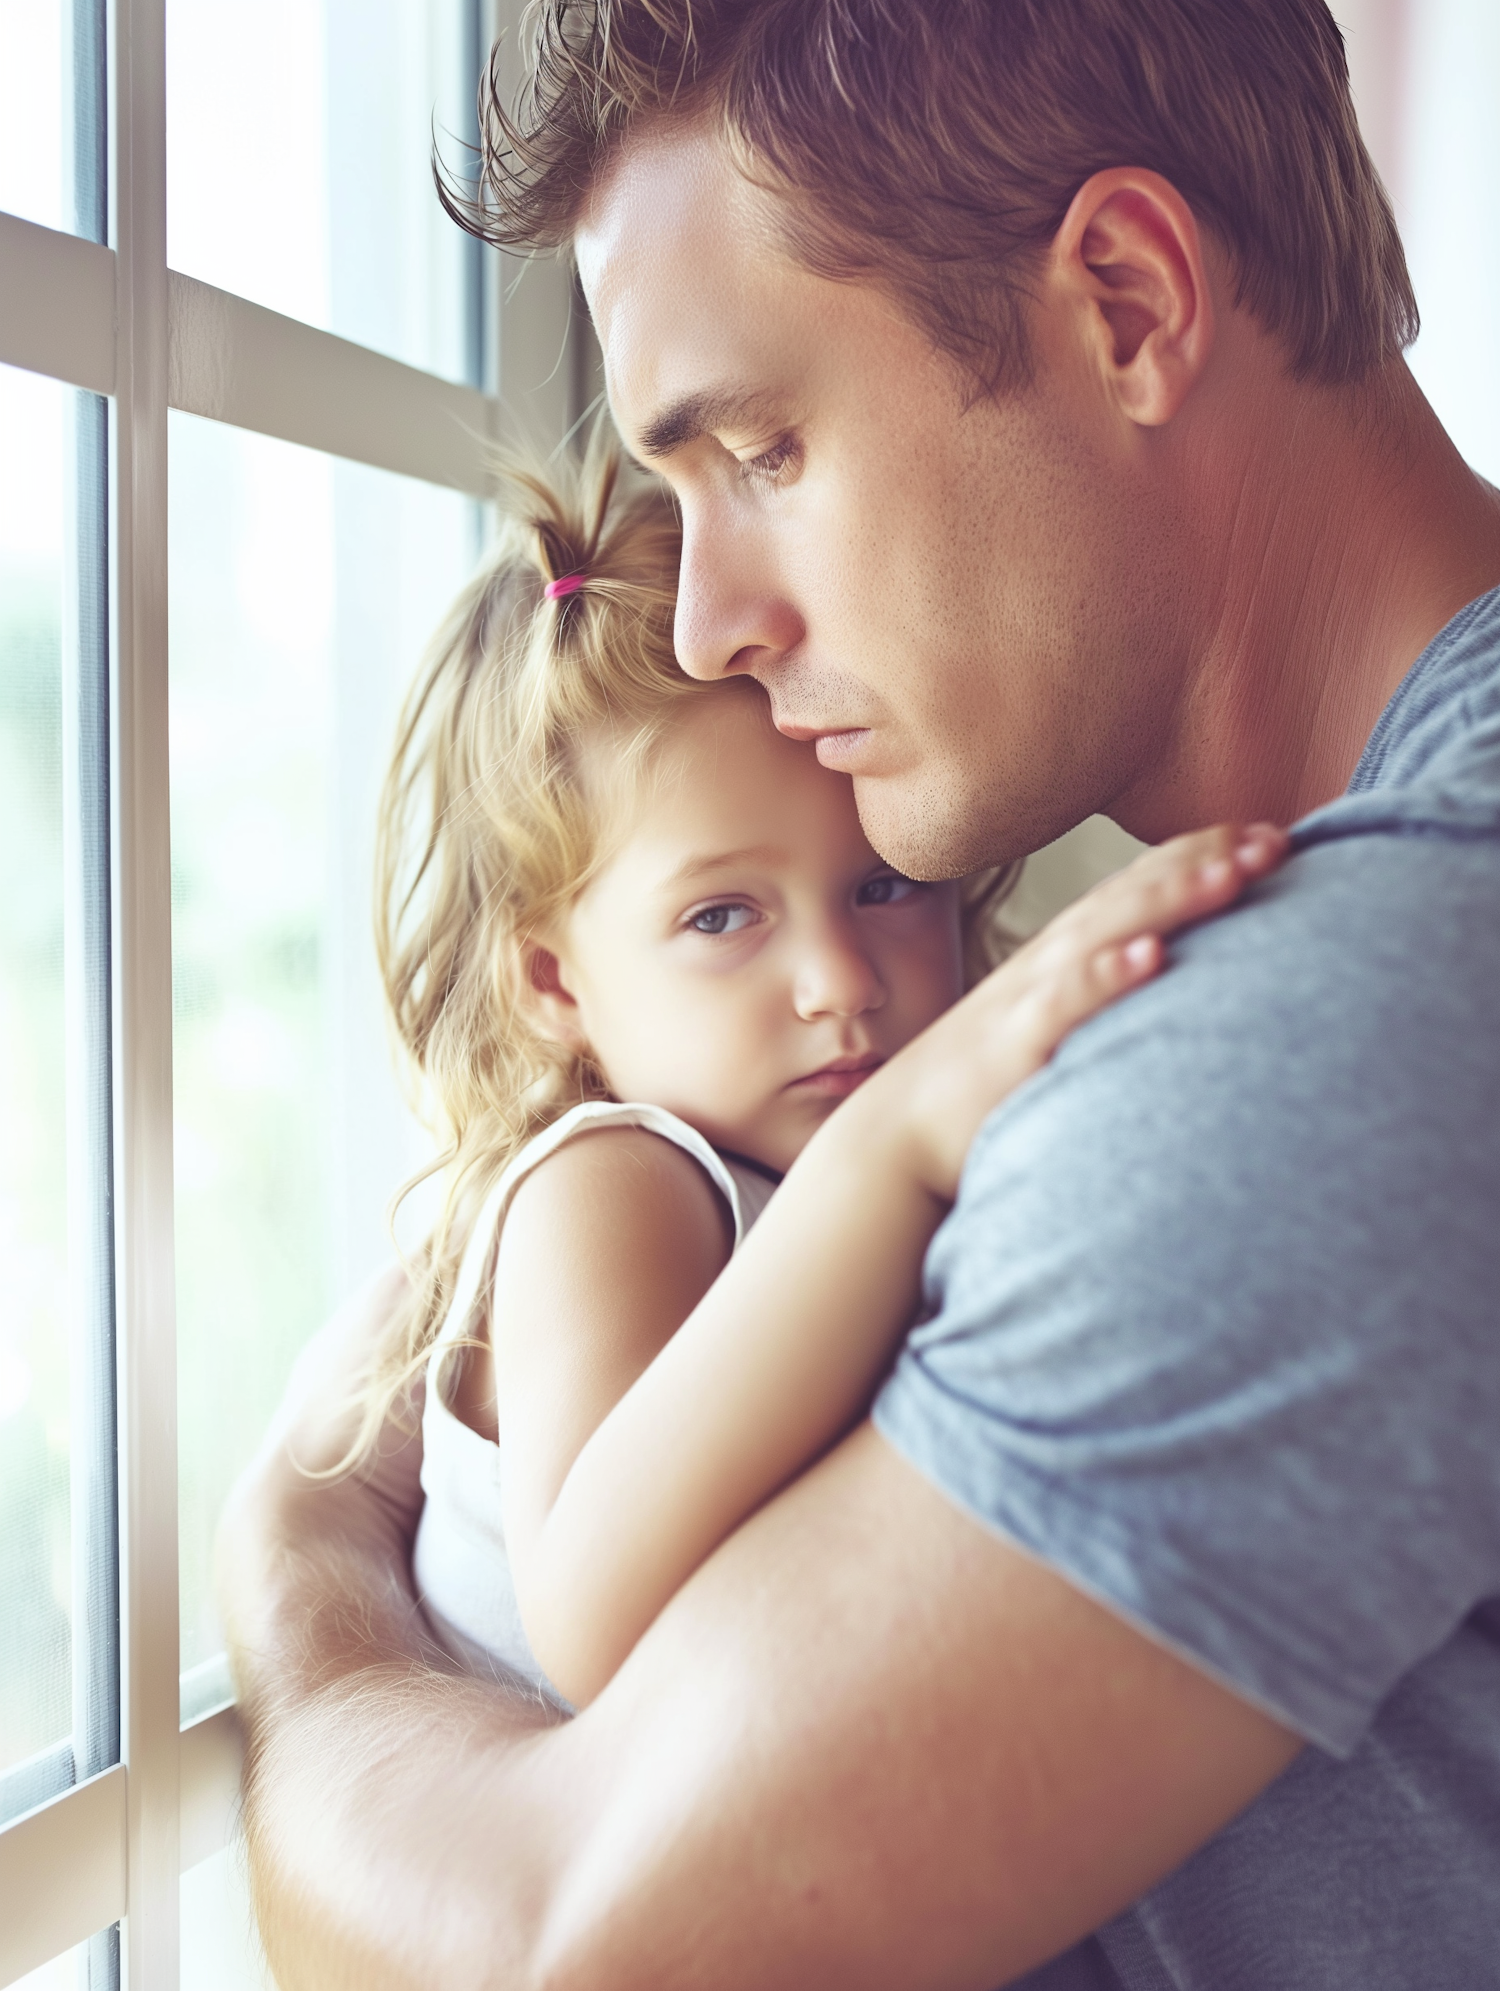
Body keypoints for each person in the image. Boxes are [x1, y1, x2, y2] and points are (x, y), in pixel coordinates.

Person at [220, 3, 1500, 1986]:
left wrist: (304, 1579)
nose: (715, 617)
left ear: (1129, 301)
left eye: (764, 448)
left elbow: (561, 1953)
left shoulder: (1358, 1017)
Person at [359, 447, 1277, 1711]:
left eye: (886, 887)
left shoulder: (796, 1157)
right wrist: (890, 1143)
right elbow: (594, 1620)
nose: (839, 978)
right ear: (556, 983)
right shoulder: (613, 1181)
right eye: (725, 915)